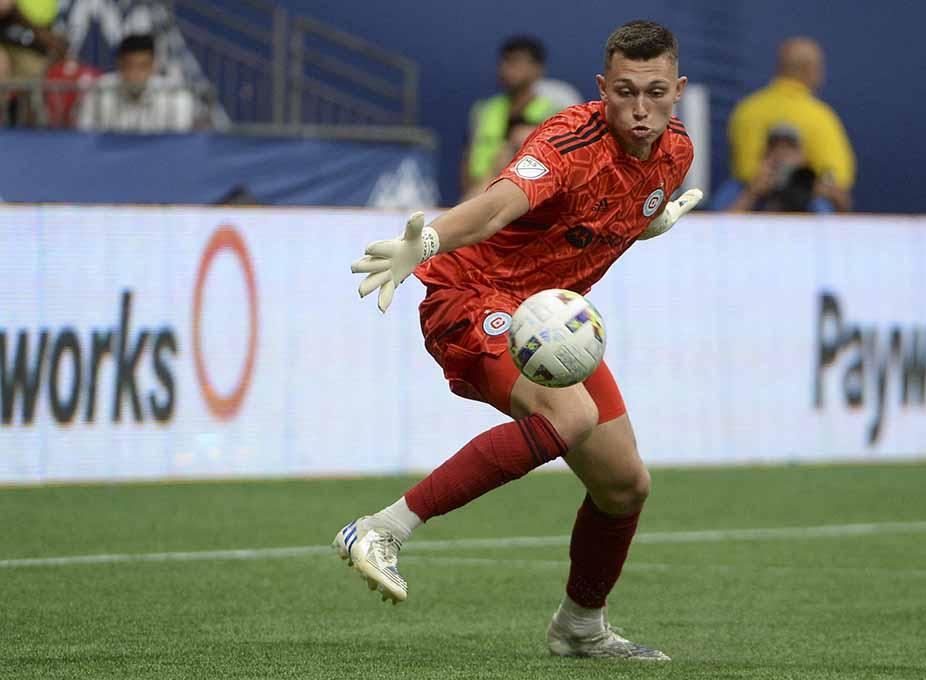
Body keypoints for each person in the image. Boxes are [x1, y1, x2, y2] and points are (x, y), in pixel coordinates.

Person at [336, 20, 703, 661]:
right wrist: (426, 241)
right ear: (602, 88)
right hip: (470, 295)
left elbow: (612, 210)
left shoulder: (676, 152)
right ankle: (381, 529)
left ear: (678, 90)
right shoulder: (568, 139)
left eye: (655, 92)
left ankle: (580, 626)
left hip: (546, 314)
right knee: (572, 415)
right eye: (624, 92)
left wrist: (649, 219)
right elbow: (500, 204)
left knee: (624, 484)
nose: (640, 109)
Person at [727, 37, 855, 210]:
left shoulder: (747, 109)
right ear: (808, 69)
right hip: (757, 200)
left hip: (797, 201)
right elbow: (838, 177)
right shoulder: (820, 116)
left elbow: (745, 169)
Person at [461, 36, 565, 195]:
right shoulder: (484, 109)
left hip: (525, 197)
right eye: (505, 61)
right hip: (475, 194)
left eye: (516, 62)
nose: (507, 68)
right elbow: (468, 155)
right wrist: (471, 193)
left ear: (537, 69)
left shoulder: (554, 114)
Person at [75, 33, 196, 133]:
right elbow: (85, 134)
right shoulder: (99, 90)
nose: (135, 74)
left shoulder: (175, 95)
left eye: (143, 66)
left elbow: (179, 142)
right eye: (129, 66)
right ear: (119, 64)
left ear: (154, 66)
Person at [709, 124, 837, 212]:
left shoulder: (810, 189)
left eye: (789, 151)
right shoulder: (738, 188)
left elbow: (833, 232)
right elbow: (716, 230)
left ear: (803, 159)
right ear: (763, 158)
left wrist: (832, 197)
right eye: (774, 150)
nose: (781, 157)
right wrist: (751, 194)